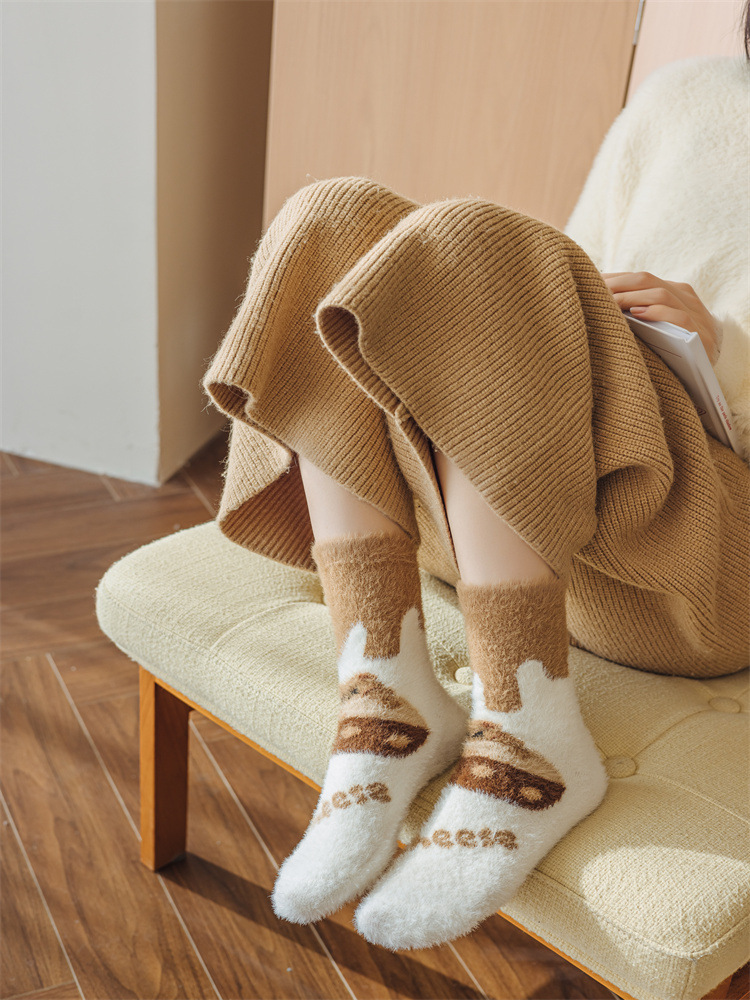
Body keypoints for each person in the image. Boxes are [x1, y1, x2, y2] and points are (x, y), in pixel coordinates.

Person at [201, 33, 749, 951]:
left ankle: (529, 734)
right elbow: (564, 274)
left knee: (477, 236)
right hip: (540, 514)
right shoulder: (683, 98)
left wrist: (727, 355)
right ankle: (383, 693)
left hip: (705, 564)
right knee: (332, 216)